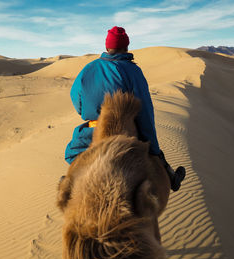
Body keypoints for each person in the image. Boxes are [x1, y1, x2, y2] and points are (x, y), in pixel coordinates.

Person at [65, 26, 185, 191]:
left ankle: (67, 187)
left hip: (93, 130)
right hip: (124, 133)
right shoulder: (133, 71)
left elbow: (75, 97)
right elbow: (145, 112)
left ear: (107, 47)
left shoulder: (88, 69)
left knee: (72, 155)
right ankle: (173, 179)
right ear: (126, 47)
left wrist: (88, 112)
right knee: (157, 162)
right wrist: (154, 149)